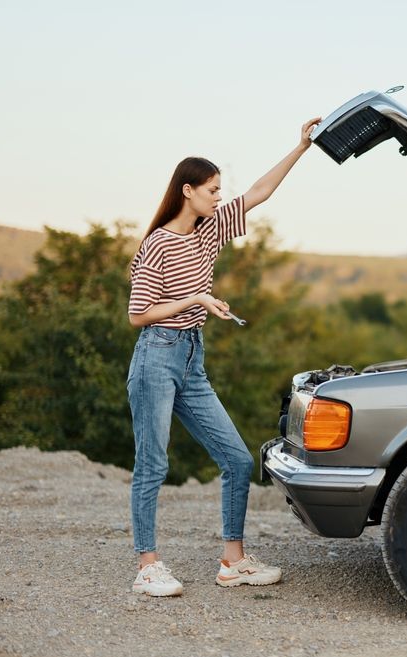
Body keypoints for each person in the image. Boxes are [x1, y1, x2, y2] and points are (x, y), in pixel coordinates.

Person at [126, 117, 321, 597]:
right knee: (152, 464)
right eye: (212, 190)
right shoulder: (157, 243)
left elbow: (260, 192)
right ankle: (147, 567)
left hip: (192, 358)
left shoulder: (209, 230)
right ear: (187, 190)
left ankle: (232, 561)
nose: (218, 196)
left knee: (236, 459)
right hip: (156, 357)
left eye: (219, 190)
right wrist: (197, 301)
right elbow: (139, 314)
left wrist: (300, 147)